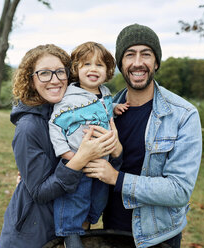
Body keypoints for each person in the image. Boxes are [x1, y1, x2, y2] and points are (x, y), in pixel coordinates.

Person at [83, 24, 203, 248]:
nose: (138, 62)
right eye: (130, 55)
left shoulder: (183, 115)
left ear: (156, 62)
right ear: (121, 64)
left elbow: (179, 191)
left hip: (158, 236)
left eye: (146, 54)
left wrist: (117, 178)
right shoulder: (103, 112)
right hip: (110, 230)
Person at [0, 44, 121, 248]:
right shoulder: (28, 127)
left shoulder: (66, 109)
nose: (54, 80)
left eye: (59, 72)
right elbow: (39, 192)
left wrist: (117, 152)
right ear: (31, 79)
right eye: (44, 73)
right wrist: (79, 159)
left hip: (67, 224)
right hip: (32, 235)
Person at [49, 41, 127, 247]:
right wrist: (66, 154)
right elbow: (55, 125)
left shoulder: (106, 93)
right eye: (86, 65)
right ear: (75, 69)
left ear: (108, 70)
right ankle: (71, 236)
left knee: (97, 201)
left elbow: (103, 106)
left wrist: (116, 107)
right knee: (74, 202)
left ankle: (85, 228)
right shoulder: (69, 99)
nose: (93, 69)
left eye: (100, 65)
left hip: (101, 163)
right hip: (78, 161)